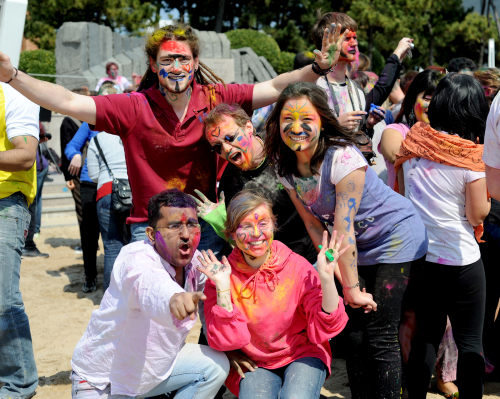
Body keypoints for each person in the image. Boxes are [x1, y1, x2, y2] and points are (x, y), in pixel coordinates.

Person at [0, 22, 347, 258]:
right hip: (150, 231)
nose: (176, 66)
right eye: (168, 59)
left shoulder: (216, 97)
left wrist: (316, 69)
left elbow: (273, 87)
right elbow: (66, 101)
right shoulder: (133, 107)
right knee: (151, 325)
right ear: (153, 64)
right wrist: (13, 76)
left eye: (183, 58)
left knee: (213, 317)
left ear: (195, 63)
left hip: (204, 227)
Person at [265, 82, 428, 399]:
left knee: (380, 330)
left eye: (306, 118)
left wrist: (352, 289)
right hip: (354, 248)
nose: (296, 128)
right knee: (352, 331)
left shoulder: (341, 157)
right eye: (288, 119)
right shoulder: (285, 166)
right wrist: (343, 278)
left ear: (322, 121)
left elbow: (343, 225)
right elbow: (314, 224)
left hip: (397, 237)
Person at [70, 188, 229, 398]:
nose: (186, 235)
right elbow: (150, 284)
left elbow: (212, 318)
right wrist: (174, 298)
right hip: (103, 383)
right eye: (174, 226)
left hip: (151, 376)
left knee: (216, 365)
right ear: (152, 235)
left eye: (192, 225)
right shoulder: (135, 257)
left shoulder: (198, 264)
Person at [199, 190, 350, 398]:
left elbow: (328, 324)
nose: (256, 234)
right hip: (256, 362)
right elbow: (226, 341)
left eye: (263, 224)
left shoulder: (295, 265)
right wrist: (223, 288)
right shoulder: (220, 275)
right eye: (245, 226)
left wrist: (326, 278)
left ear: (273, 225)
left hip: (302, 353)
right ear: (232, 234)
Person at [395, 73, 490, 399]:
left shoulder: (412, 144)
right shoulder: (472, 158)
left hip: (424, 261)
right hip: (462, 262)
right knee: (470, 345)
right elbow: (476, 215)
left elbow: (405, 198)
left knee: (426, 339)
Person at [193, 102, 318, 264]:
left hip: (314, 254)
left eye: (229, 138)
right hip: (277, 266)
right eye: (218, 147)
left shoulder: (282, 147)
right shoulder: (230, 184)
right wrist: (222, 222)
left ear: (248, 128)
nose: (226, 148)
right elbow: (245, 242)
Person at [0, 81, 39, 399]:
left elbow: (26, 155)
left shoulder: (12, 93)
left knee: (2, 298)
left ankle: (19, 382)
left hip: (6, 203)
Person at [311, 11, 413, 131]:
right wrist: (335, 125)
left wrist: (368, 125)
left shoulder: (356, 89)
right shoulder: (314, 87)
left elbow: (381, 89)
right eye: (347, 38)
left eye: (355, 38)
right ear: (327, 42)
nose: (354, 43)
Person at [379, 69, 443, 189]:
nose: (434, 104)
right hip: (402, 206)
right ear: (413, 101)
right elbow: (398, 157)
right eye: (427, 99)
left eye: (439, 99)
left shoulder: (452, 136)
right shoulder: (394, 131)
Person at [87, 131, 130, 292]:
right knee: (137, 244)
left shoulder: (97, 139)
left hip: (106, 191)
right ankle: (134, 295)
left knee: (112, 247)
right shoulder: (131, 132)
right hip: (133, 192)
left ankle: (111, 298)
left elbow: (93, 175)